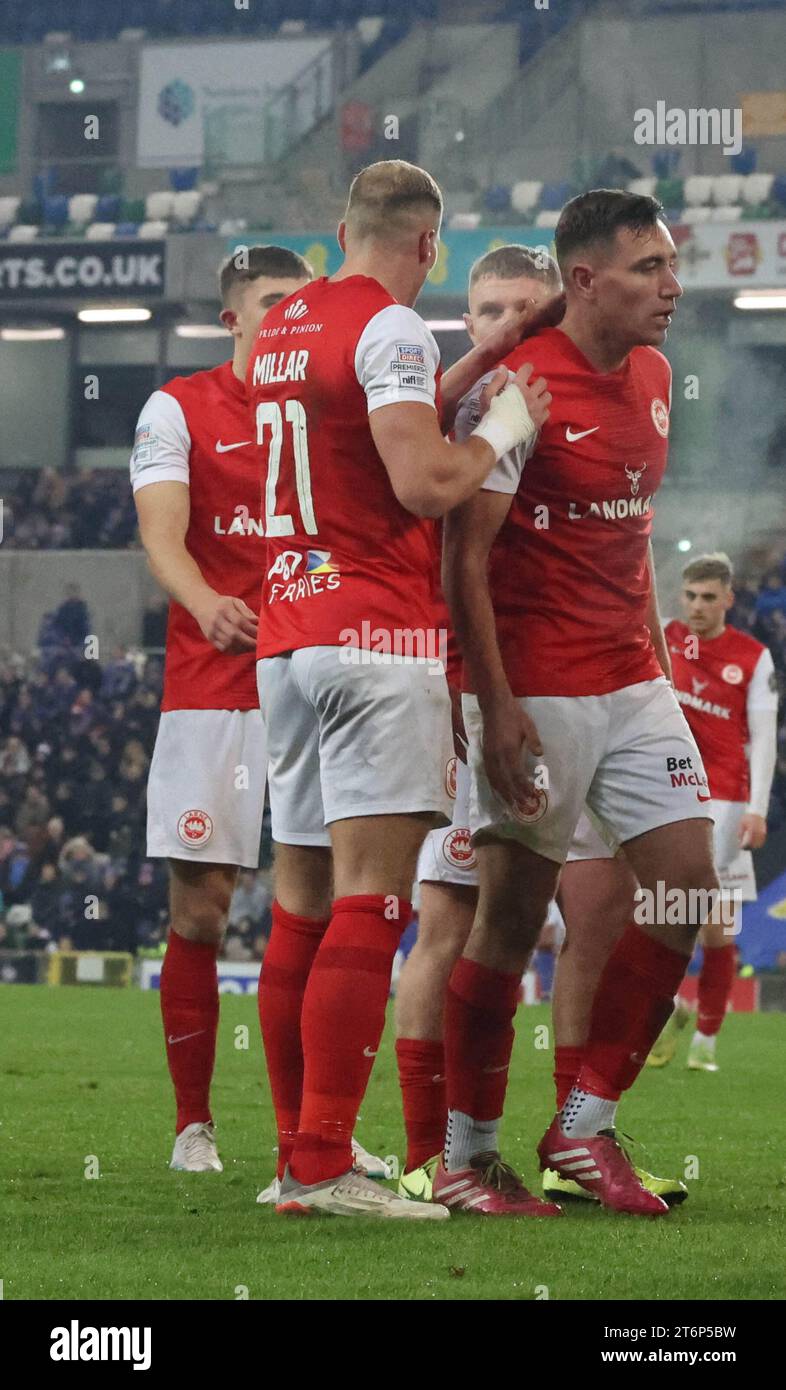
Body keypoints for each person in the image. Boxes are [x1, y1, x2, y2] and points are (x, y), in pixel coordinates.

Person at [248, 158, 549, 1219]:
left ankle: (300, 1151)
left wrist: (482, 357)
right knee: (376, 902)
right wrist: (505, 429)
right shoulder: (388, 330)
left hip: (287, 635)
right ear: (431, 247)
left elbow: (350, 436)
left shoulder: (286, 323)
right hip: (373, 634)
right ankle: (322, 1162)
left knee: (301, 906)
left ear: (343, 230)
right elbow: (422, 481)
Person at [440, 188, 719, 1217]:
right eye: (649, 268)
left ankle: (583, 1129)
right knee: (506, 926)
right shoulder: (521, 389)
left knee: (689, 887)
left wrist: (654, 659)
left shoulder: (652, 374)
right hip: (536, 684)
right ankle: (468, 1158)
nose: (672, 286)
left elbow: (628, 534)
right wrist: (491, 704)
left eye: (672, 264)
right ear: (586, 280)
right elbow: (466, 559)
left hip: (630, 676)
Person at [132, 245, 339, 1175]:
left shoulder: (338, 410)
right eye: (272, 303)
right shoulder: (179, 407)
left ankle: (316, 1130)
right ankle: (193, 1125)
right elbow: (162, 533)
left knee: (327, 911)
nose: (292, 316)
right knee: (202, 914)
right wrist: (203, 600)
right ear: (234, 319)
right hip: (213, 686)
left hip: (320, 675)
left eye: (304, 303)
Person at [645, 552, 778, 1070]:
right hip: (662, 791)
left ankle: (703, 1041)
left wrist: (758, 808)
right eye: (691, 596)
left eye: (708, 597)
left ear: (728, 598)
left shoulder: (752, 656)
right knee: (667, 912)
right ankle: (674, 1009)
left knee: (711, 921)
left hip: (723, 800)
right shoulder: (664, 637)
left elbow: (763, 738)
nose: (698, 607)